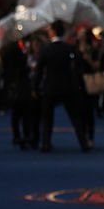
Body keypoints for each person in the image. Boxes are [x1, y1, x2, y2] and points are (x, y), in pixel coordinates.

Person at [36, 21, 89, 153]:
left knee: (47, 117)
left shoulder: (46, 49)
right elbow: (78, 65)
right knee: (75, 117)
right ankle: (83, 142)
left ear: (53, 32)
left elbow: (39, 71)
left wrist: (36, 87)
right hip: (68, 86)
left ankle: (45, 143)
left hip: (50, 87)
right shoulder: (69, 48)